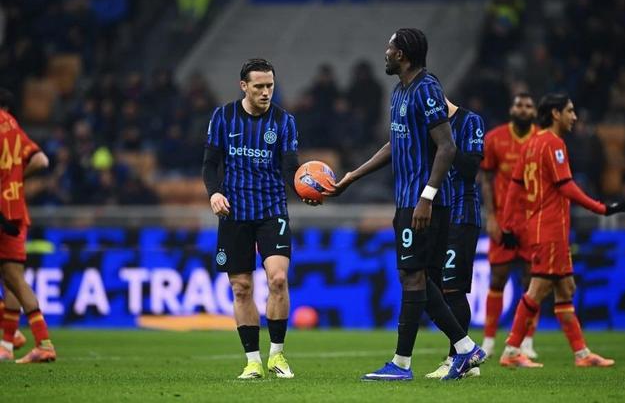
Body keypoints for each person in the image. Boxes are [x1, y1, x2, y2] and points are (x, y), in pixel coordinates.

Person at [327, 28, 485, 381]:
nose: (385, 52)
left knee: (413, 276)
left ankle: (424, 359)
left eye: (390, 47)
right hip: (408, 200)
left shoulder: (427, 88)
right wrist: (353, 176)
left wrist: (426, 197)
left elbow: (447, 146)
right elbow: (395, 144)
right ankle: (454, 351)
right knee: (417, 278)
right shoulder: (400, 91)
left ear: (402, 54)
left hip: (422, 201)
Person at [498, 93, 625, 368]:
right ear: (556, 114)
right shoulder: (554, 144)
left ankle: (582, 354)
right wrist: (602, 208)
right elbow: (566, 186)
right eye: (570, 111)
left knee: (566, 288)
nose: (574, 117)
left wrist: (507, 223)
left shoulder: (531, 144)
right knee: (538, 289)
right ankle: (511, 350)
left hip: (541, 227)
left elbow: (514, 186)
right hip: (550, 229)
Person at [202, 59, 314, 380]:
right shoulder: (223, 117)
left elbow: (290, 167)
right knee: (241, 287)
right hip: (233, 212)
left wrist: (304, 188)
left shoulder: (284, 121)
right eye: (259, 86)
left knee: (277, 279)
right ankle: (252, 361)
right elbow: (210, 164)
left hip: (271, 210)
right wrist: (214, 193)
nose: (266, 92)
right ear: (244, 86)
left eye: (270, 86)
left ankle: (277, 355)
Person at [425, 98, 485, 379]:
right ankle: (463, 355)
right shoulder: (429, 125)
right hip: (438, 213)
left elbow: (471, 169)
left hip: (461, 214)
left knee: (452, 290)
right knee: (432, 285)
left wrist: (445, 145)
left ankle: (457, 359)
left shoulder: (470, 121)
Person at [479, 93, 539, 358]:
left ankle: (526, 341)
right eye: (519, 105)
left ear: (534, 112)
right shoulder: (494, 138)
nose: (523, 109)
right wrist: (491, 217)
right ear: (511, 109)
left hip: (533, 219)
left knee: (532, 281)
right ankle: (489, 341)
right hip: (503, 218)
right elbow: (486, 178)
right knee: (498, 278)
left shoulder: (543, 140)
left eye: (528, 106)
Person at [0, 88, 55, 363]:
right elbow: (41, 160)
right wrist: (15, 178)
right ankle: (20, 342)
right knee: (14, 279)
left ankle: (11, 339)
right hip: (14, 208)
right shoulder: (12, 126)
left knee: (13, 279)